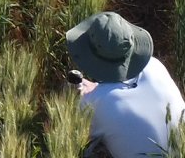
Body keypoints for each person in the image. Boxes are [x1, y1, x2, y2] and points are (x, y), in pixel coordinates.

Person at [66, 12, 185, 157]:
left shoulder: (93, 104)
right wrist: (97, 92)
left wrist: (82, 99)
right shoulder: (155, 66)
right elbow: (126, 91)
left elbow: (77, 148)